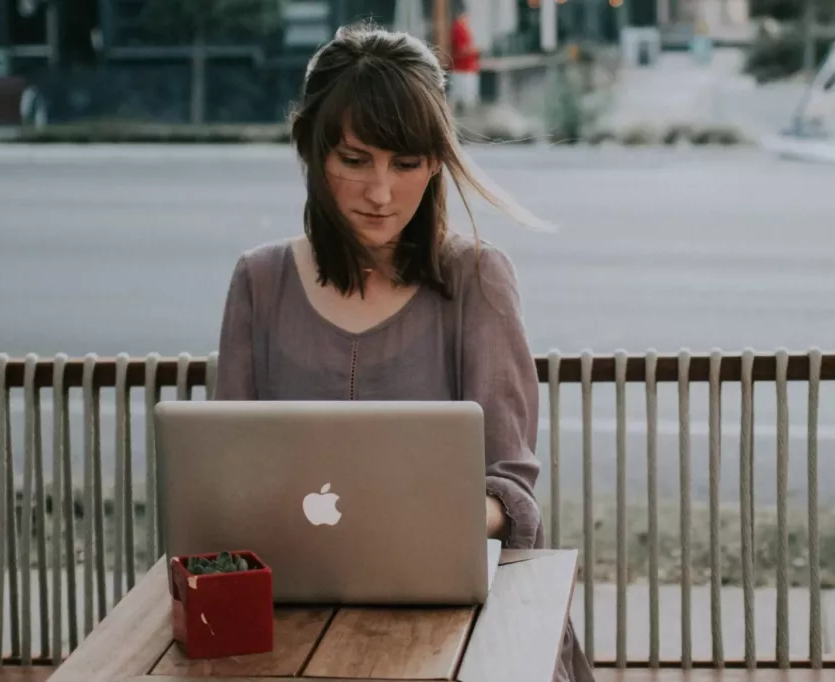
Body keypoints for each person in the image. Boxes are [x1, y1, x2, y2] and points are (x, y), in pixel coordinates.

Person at [214, 21, 594, 682]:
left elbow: (513, 488)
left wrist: (425, 525)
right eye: (355, 160)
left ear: (437, 161)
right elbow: (223, 475)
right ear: (311, 150)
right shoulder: (259, 281)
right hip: (290, 623)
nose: (381, 193)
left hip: (456, 627)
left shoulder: (476, 278)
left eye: (406, 162)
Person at [449, 9, 481, 114]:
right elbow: (461, 50)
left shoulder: (463, 28)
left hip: (466, 67)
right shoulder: (458, 29)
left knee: (461, 94)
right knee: (461, 94)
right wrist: (474, 50)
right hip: (462, 68)